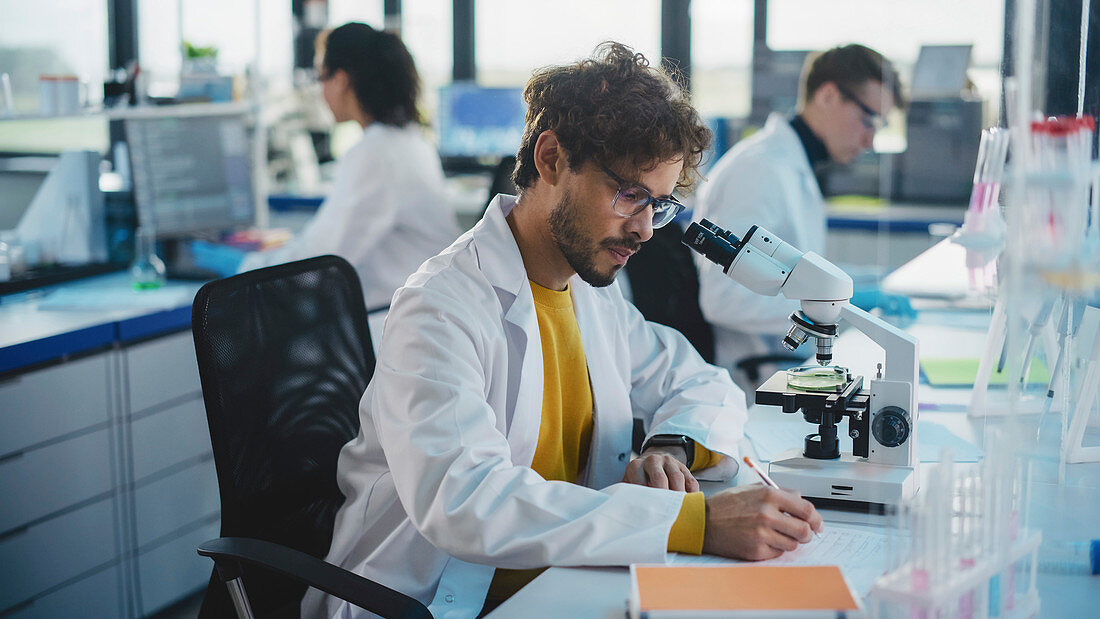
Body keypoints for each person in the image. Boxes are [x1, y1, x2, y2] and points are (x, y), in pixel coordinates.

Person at [302, 42, 823, 619]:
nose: (646, 229)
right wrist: (690, 522)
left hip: (565, 583)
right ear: (550, 159)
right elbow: (467, 501)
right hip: (439, 601)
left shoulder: (588, 290)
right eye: (628, 195)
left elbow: (699, 380)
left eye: (659, 203)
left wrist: (671, 445)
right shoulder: (440, 307)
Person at [192, 22, 459, 310]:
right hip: (423, 313)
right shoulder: (408, 141)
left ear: (341, 80)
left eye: (321, 77)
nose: (320, 91)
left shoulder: (376, 153)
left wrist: (243, 264)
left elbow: (316, 264)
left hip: (399, 325)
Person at [694, 44, 907, 395]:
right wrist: (841, 305)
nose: (871, 140)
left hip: (794, 364)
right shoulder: (758, 170)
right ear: (827, 95)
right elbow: (723, 299)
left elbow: (795, 275)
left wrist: (873, 284)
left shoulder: (791, 166)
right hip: (758, 376)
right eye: (869, 119)